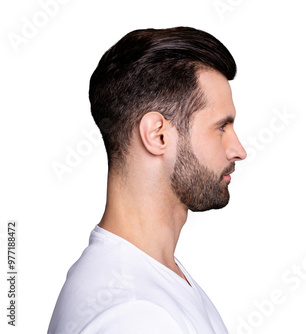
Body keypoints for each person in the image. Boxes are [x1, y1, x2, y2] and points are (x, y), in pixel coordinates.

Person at [48, 27, 247, 334]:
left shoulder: (156, 279)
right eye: (221, 127)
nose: (238, 150)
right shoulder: (133, 313)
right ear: (158, 135)